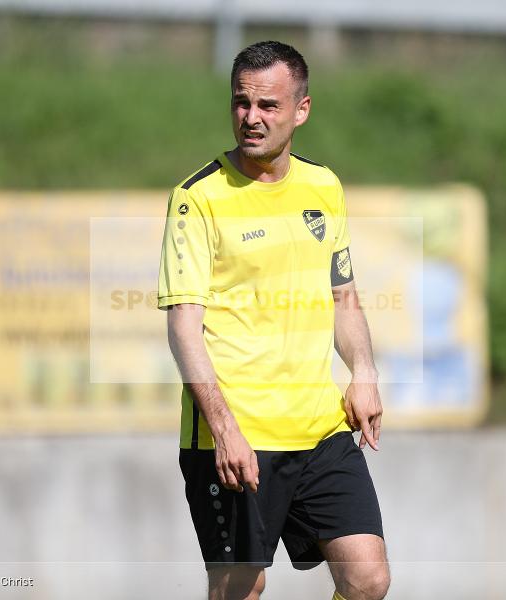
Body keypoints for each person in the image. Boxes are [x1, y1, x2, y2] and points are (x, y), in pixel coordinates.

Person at [158, 41, 389, 600]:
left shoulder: (324, 186)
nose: (251, 117)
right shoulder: (197, 198)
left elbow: (343, 294)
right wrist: (224, 430)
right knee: (242, 587)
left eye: (268, 105)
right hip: (239, 433)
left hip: (320, 430)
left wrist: (363, 372)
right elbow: (184, 327)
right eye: (241, 103)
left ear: (301, 110)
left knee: (368, 579)